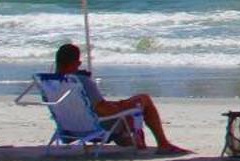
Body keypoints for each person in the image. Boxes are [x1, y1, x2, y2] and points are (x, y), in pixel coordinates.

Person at [52, 43, 187, 153]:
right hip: (97, 128)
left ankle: (132, 137)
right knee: (143, 99)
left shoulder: (50, 82)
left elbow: (84, 106)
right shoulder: (81, 81)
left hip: (69, 128)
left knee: (127, 112)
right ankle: (163, 143)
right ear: (77, 62)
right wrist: (122, 106)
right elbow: (103, 109)